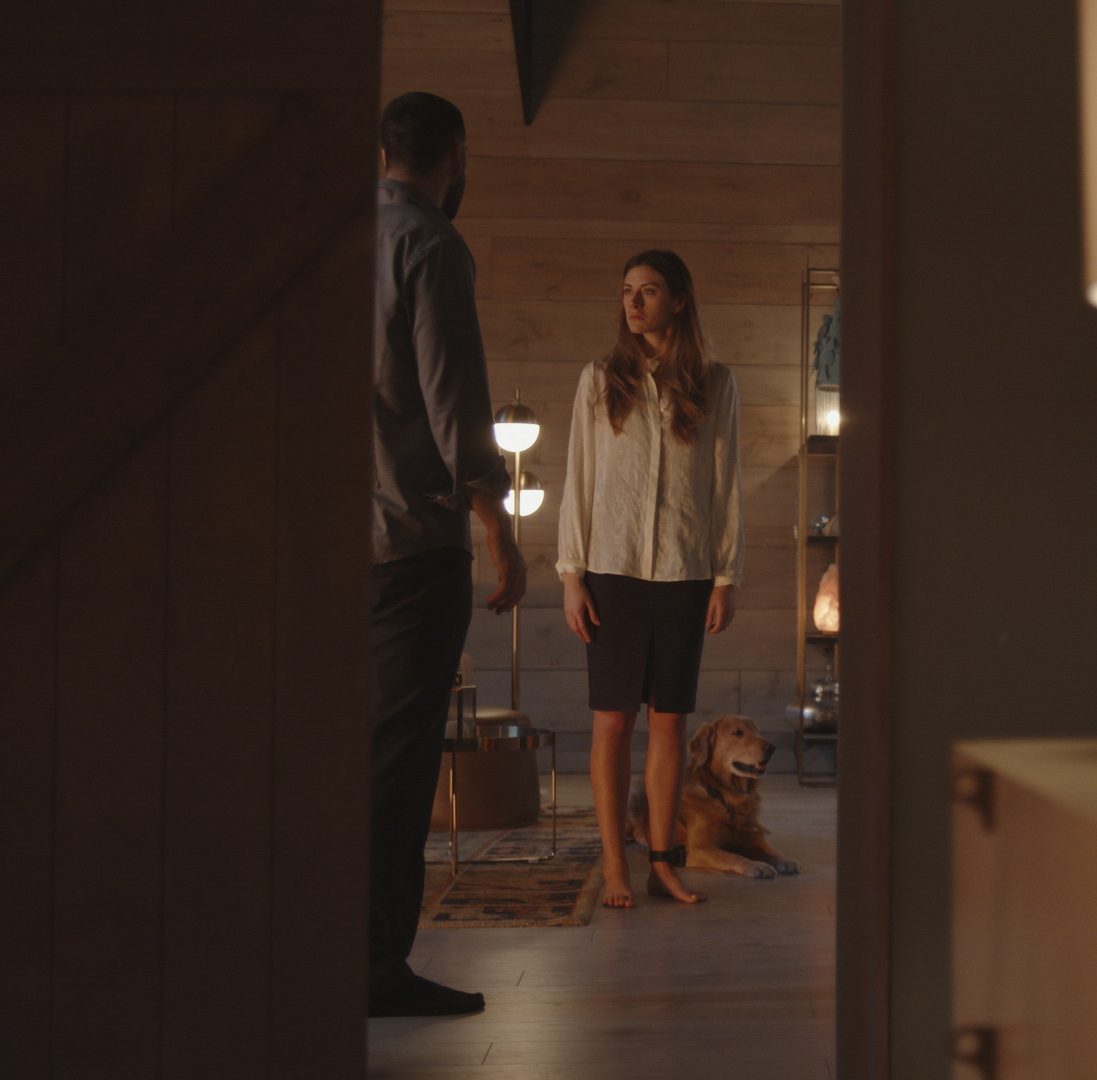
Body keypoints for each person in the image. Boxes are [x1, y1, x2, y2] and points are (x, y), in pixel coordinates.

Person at [370, 92, 526, 1016]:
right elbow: (453, 400)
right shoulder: (429, 245)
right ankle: (373, 968)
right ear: (457, 157)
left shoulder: (339, 238)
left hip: (330, 543)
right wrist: (497, 525)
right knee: (395, 767)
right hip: (412, 545)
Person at [556, 249, 742, 908]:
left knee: (668, 726)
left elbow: (724, 486)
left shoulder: (716, 383)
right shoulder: (599, 379)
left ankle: (663, 864)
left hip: (685, 571)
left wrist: (725, 575)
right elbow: (579, 479)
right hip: (611, 571)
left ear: (679, 301)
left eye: (649, 291)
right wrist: (571, 574)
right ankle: (615, 866)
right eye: (627, 291)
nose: (634, 303)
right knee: (612, 723)